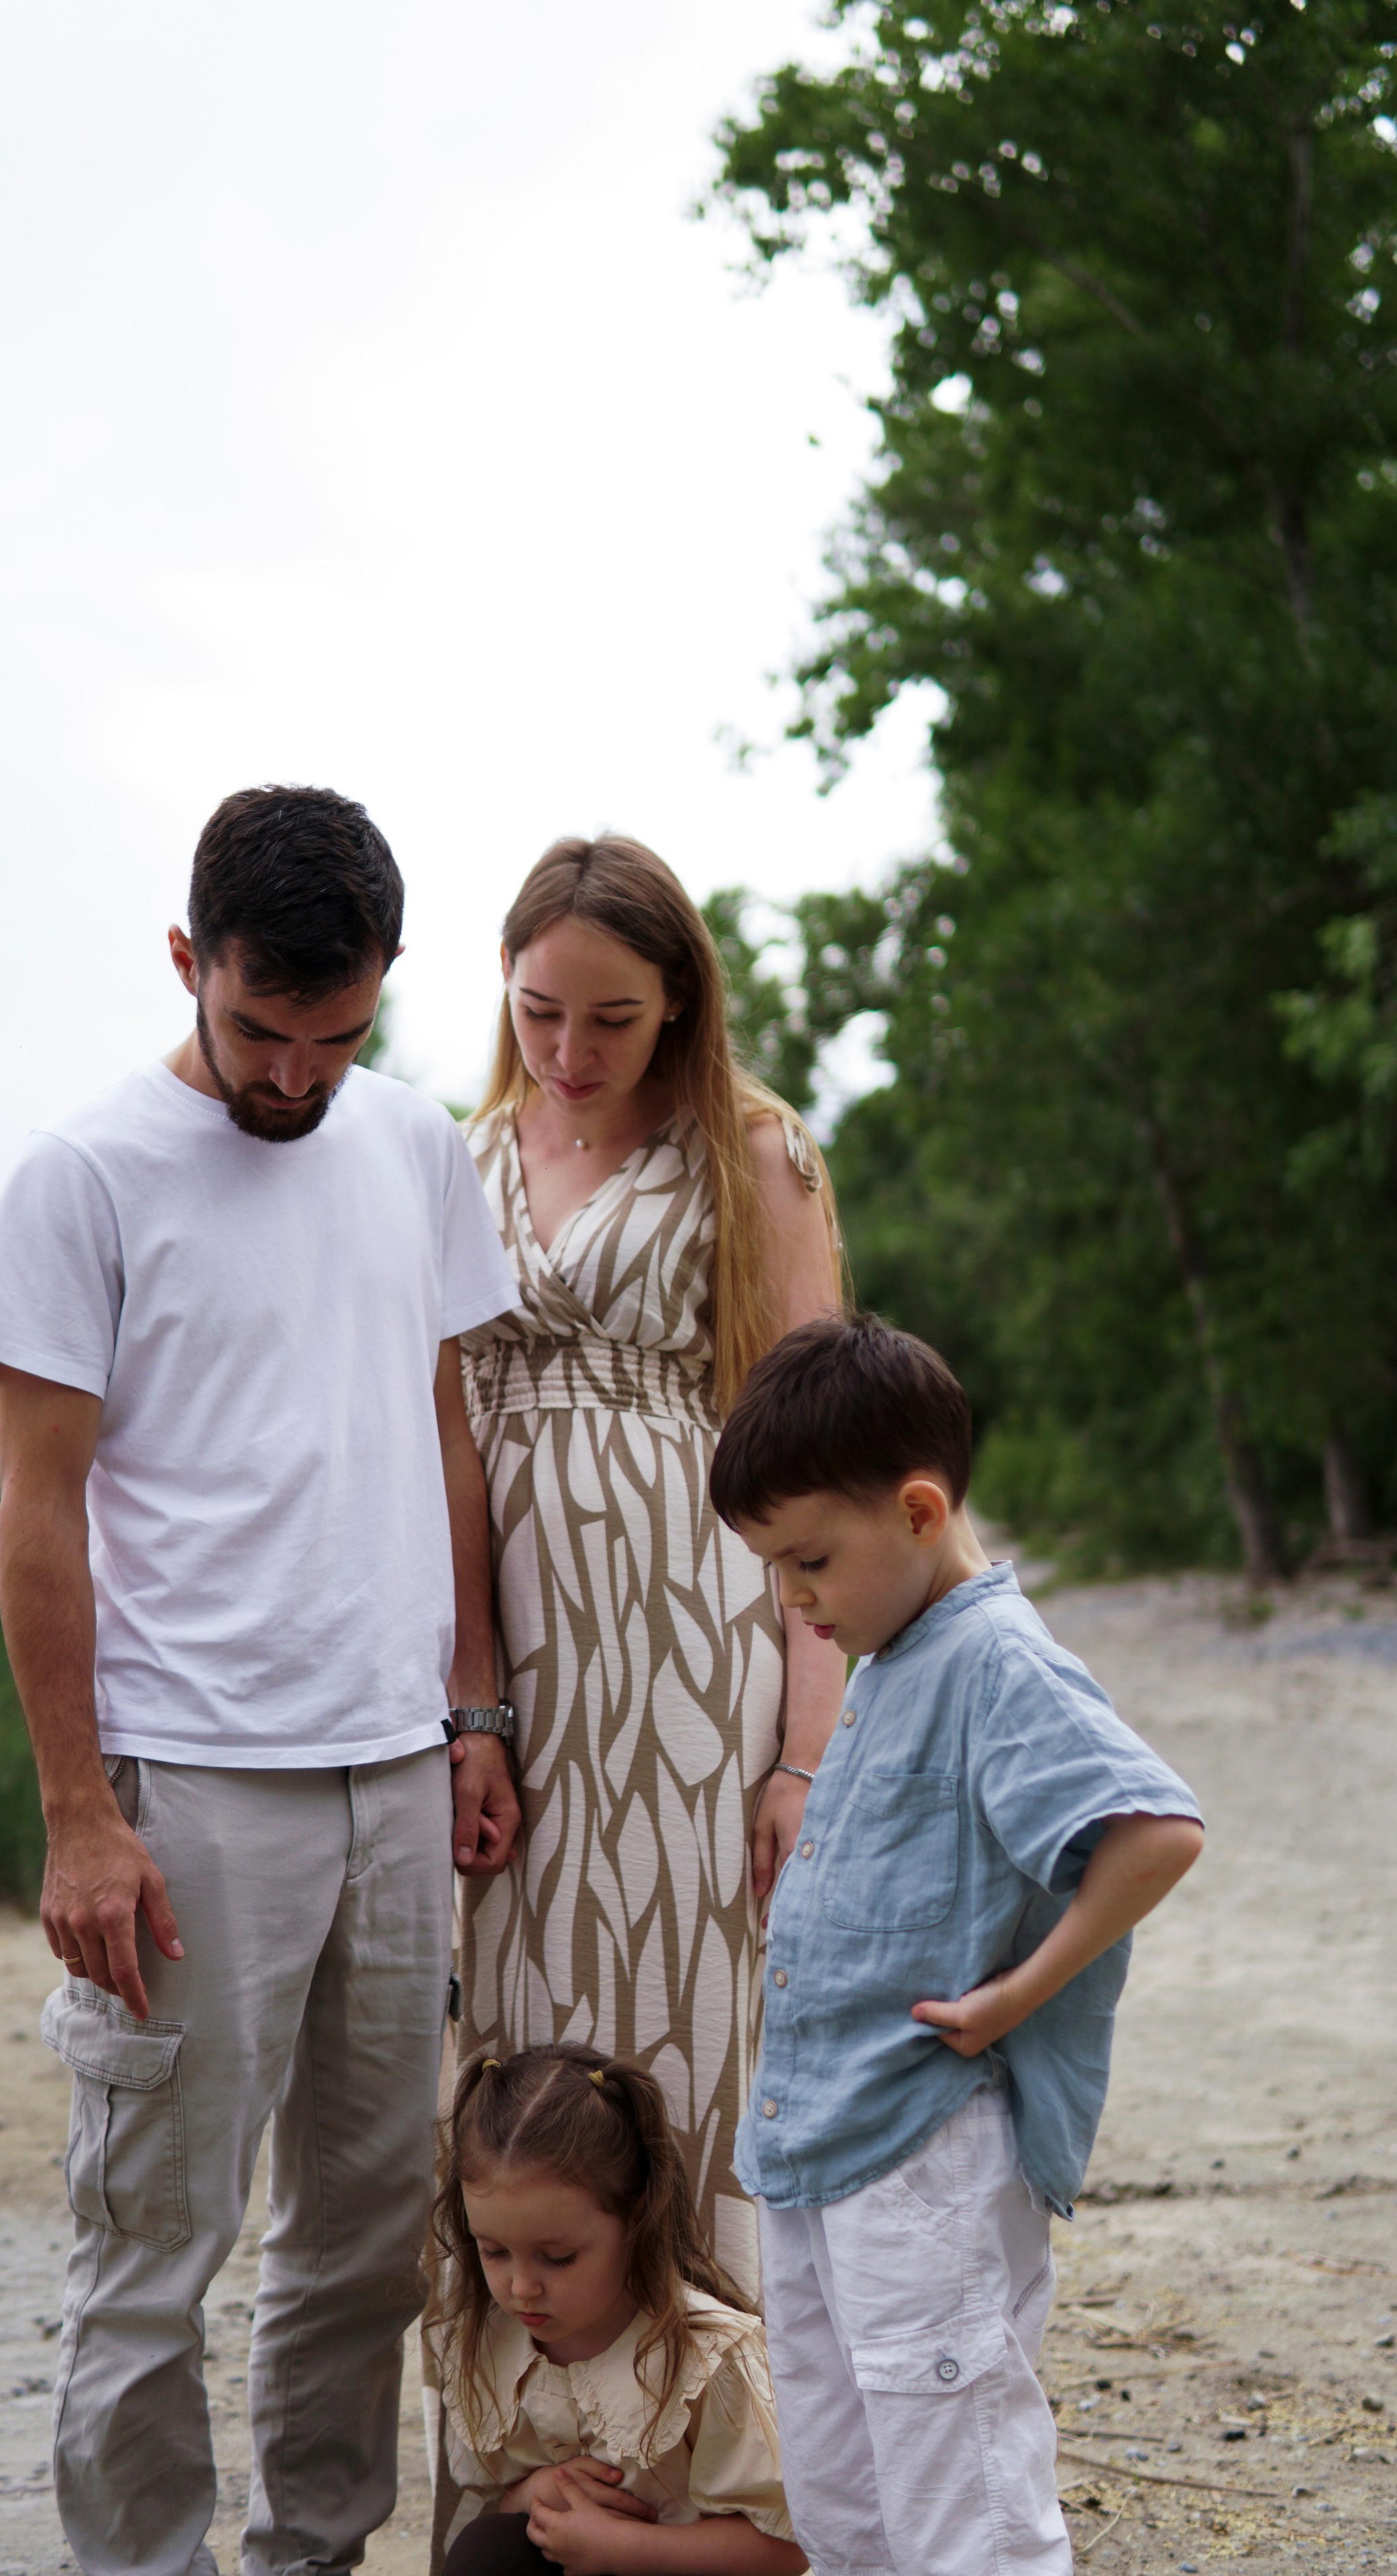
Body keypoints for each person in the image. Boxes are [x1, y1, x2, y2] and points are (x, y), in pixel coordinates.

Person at [0, 786, 522, 2576]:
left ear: (386, 993)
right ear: (189, 962)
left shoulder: (416, 1149)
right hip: (190, 1790)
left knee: (360, 2241)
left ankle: (313, 2559)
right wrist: (80, 1818)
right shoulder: (84, 1176)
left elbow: (441, 1431)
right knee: (153, 2246)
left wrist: (474, 1706)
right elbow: (39, 1518)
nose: (294, 1075)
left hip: (398, 1779)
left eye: (336, 1037)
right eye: (261, 1030)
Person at [708, 1312, 1206, 2576]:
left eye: (810, 1560)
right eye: (776, 1566)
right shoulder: (893, 1644)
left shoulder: (995, 1659)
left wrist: (1018, 1997)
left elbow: (1155, 1832)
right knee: (842, 2487)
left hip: (925, 2153)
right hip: (824, 2143)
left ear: (920, 1513)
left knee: (959, 2492)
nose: (793, 1597)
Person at [456, 835, 846, 2286]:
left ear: (679, 1000)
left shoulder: (749, 1153)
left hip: (693, 1653)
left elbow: (823, 1463)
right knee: (517, 2022)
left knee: (692, 2012)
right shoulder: (466, 1158)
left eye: (611, 1018)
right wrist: (468, 1704)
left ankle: (710, 2453)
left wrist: (803, 1757)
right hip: (520, 1663)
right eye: (537, 1010)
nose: (567, 1050)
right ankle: (531, 2453)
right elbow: (439, 1436)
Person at [427, 2043, 804, 2576]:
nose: (522, 2287)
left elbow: (787, 2548)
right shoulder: (492, 2342)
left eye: (558, 2258)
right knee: (483, 2550)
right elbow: (500, 2503)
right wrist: (539, 2492)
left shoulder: (709, 2359)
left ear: (637, 2220)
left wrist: (622, 2549)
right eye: (494, 2251)